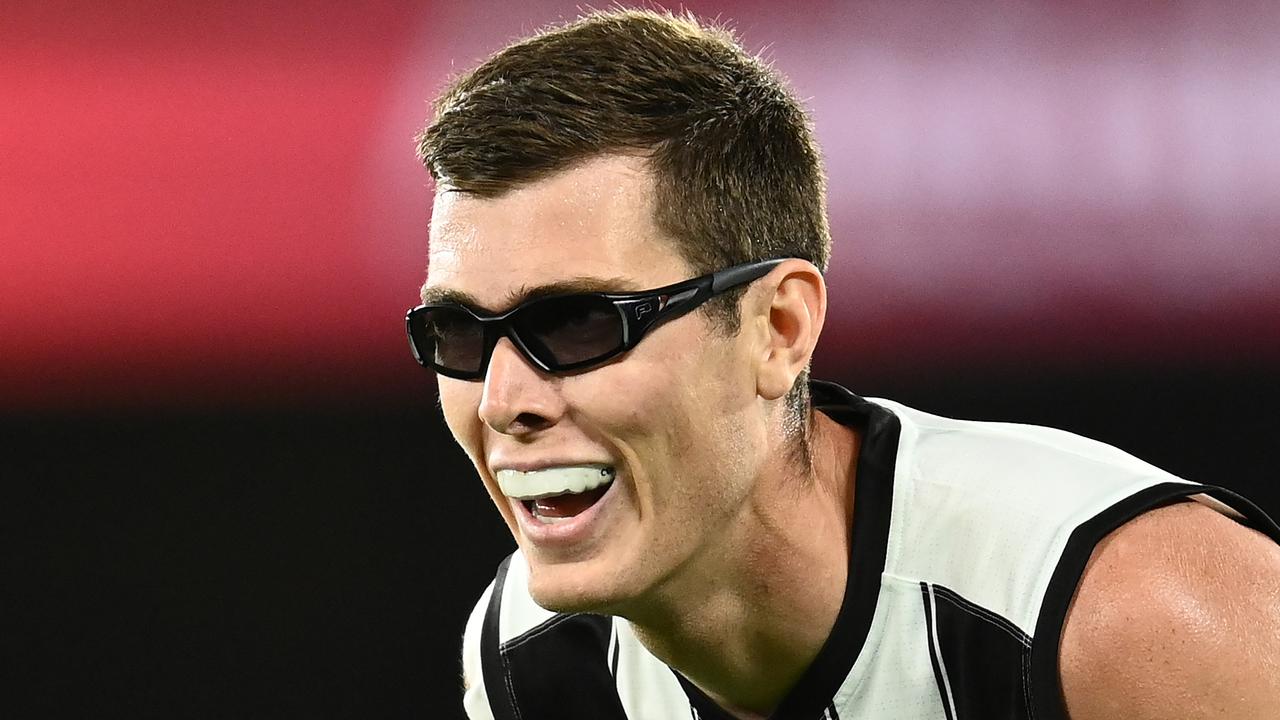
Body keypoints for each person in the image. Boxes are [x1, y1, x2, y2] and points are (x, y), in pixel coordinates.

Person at [405, 9, 1280, 720]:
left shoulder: (1138, 615)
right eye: (459, 334)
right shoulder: (533, 662)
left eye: (579, 325)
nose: (503, 400)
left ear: (778, 330)